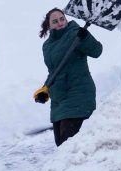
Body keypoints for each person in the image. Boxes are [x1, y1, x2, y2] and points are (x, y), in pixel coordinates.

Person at [33, 8, 103, 147]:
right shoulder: (47, 46)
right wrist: (45, 89)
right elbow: (53, 71)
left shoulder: (75, 34)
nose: (60, 23)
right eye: (55, 21)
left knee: (71, 147)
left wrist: (86, 36)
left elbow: (97, 51)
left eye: (62, 19)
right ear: (49, 25)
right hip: (58, 101)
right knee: (62, 150)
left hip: (78, 95)